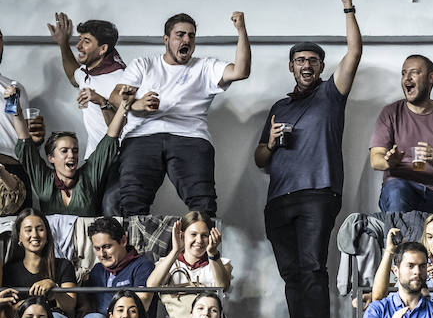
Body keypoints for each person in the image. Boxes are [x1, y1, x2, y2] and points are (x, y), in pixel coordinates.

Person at [257, 0, 362, 318]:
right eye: (300, 60)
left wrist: (348, 7)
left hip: (318, 193)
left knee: (314, 268)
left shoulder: (330, 95)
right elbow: (260, 159)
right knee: (292, 275)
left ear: (320, 67)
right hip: (279, 201)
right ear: (291, 66)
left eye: (313, 61)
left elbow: (354, 53)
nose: (306, 66)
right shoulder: (279, 106)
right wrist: (269, 141)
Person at [119, 11, 252, 215]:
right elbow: (114, 96)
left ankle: (202, 246)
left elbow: (240, 71)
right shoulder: (144, 65)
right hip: (141, 136)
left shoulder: (205, 66)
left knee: (203, 203)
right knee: (131, 203)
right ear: (166, 39)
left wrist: (241, 30)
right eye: (180, 35)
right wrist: (137, 104)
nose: (186, 40)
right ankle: (135, 247)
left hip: (190, 137)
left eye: (191, 35)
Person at [11, 86, 129, 217]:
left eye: (75, 150)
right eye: (64, 151)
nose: (71, 155)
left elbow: (111, 137)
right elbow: (24, 141)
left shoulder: (89, 176)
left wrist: (124, 104)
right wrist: (16, 111)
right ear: (51, 158)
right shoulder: (43, 179)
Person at [369, 54, 433, 214]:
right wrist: (389, 163)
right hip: (399, 186)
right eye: (404, 73)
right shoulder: (391, 113)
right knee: (397, 191)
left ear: (431, 78)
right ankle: (397, 239)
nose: (407, 78)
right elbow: (375, 159)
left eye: (414, 72)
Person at [45, 11, 127, 163]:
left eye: (86, 41)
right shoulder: (88, 72)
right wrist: (63, 43)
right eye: (80, 39)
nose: (78, 45)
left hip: (117, 160)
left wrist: (102, 101)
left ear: (102, 49)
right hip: (93, 158)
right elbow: (73, 75)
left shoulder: (121, 78)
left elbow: (123, 125)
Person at [145, 211, 232, 318]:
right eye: (193, 234)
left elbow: (223, 285)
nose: (199, 240)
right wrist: (175, 251)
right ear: (182, 235)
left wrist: (212, 253)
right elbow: (151, 286)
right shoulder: (169, 263)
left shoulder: (221, 264)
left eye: (204, 235)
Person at [75, 216, 155, 318]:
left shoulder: (142, 266)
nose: (102, 254)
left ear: (123, 240)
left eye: (107, 247)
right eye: (97, 249)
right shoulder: (97, 270)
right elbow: (84, 306)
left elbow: (141, 306)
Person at [1, 209, 78, 318]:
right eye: (28, 230)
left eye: (40, 229)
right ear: (19, 236)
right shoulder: (8, 270)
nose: (35, 235)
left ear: (47, 234)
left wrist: (54, 288)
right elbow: (5, 317)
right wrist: (21, 307)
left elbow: (70, 305)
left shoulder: (63, 265)